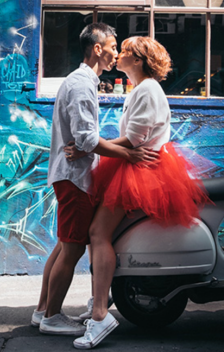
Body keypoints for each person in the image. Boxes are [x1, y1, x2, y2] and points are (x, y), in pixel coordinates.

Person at [65, 36, 209, 349]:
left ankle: (101, 314)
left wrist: (86, 148)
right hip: (134, 166)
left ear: (139, 60)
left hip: (141, 169)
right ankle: (98, 301)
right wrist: (91, 148)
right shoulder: (141, 89)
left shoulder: (147, 89)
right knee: (103, 236)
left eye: (126, 52)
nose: (119, 55)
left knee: (98, 233)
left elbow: (132, 139)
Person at [32, 24, 158, 336]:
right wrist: (127, 155)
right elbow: (86, 139)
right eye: (113, 46)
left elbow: (85, 139)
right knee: (72, 249)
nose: (117, 52)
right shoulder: (81, 84)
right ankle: (51, 316)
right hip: (75, 179)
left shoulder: (82, 81)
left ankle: (41, 311)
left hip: (73, 175)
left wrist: (89, 144)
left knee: (63, 247)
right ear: (98, 49)